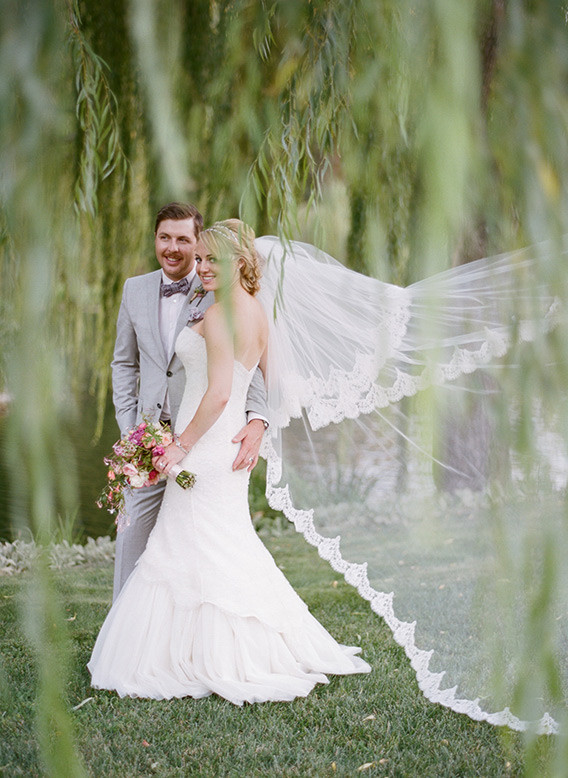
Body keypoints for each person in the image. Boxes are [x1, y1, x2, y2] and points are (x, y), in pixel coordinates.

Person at [88, 219, 371, 703]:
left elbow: (220, 393)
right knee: (222, 546)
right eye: (199, 259)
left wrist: (181, 444)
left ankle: (193, 654)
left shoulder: (220, 316)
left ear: (240, 260)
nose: (200, 267)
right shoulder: (257, 312)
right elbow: (266, 374)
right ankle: (248, 644)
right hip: (220, 447)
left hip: (202, 444)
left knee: (183, 548)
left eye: (209, 259)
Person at [111, 203, 268, 599]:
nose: (174, 248)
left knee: (196, 540)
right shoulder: (134, 289)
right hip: (147, 435)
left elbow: (252, 367)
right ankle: (123, 628)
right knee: (133, 537)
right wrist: (131, 429)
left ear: (198, 241)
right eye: (165, 237)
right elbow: (123, 363)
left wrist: (258, 418)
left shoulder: (219, 290)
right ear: (155, 239)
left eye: (184, 239)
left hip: (203, 435)